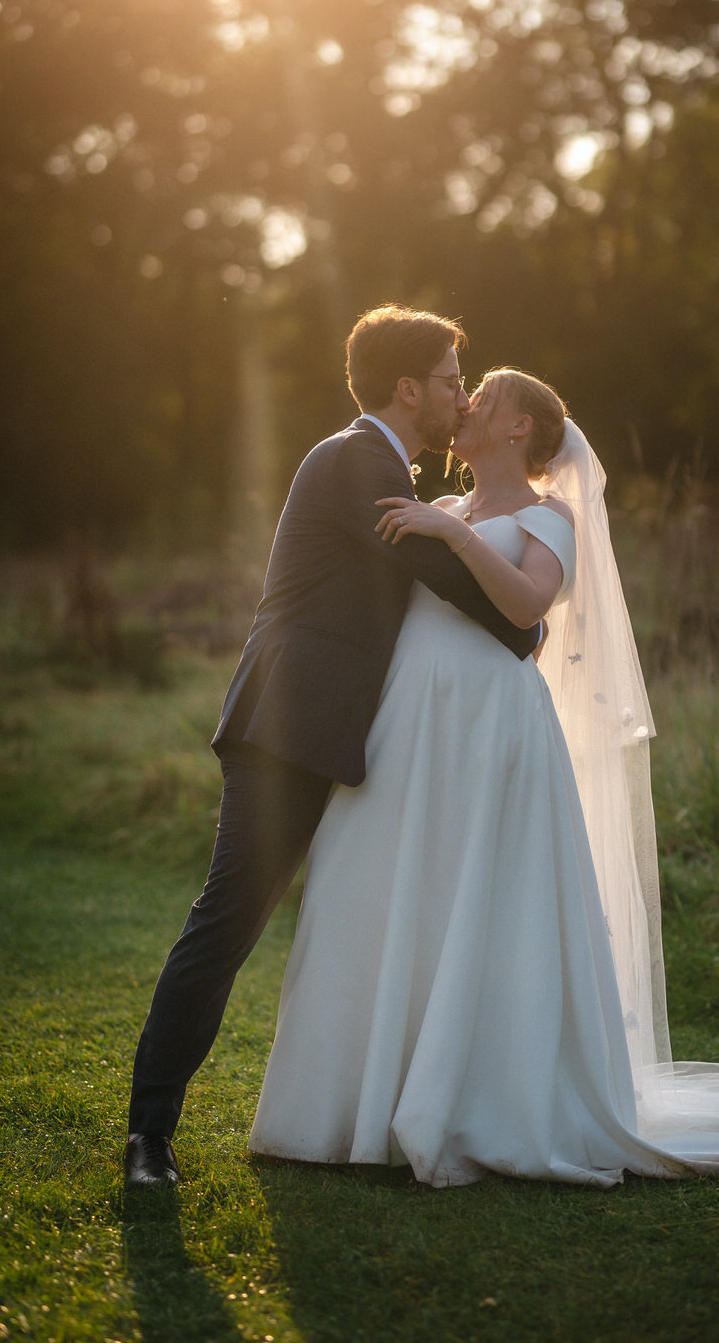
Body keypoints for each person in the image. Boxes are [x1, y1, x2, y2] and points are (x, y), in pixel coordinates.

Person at [248, 368, 719, 1185]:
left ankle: (469, 1096)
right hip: (411, 716)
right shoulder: (443, 505)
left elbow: (528, 609)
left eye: (484, 398)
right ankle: (354, 1102)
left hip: (490, 722)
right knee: (385, 886)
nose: (464, 405)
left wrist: (456, 538)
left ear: (518, 431)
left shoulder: (548, 515)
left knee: (482, 899)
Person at [125, 309, 542, 1186]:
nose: (459, 394)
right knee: (228, 921)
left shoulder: (388, 471)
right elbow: (448, 582)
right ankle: (147, 1136)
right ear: (407, 390)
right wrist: (523, 633)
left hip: (343, 734)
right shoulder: (356, 462)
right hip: (289, 729)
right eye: (449, 378)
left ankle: (397, 1107)